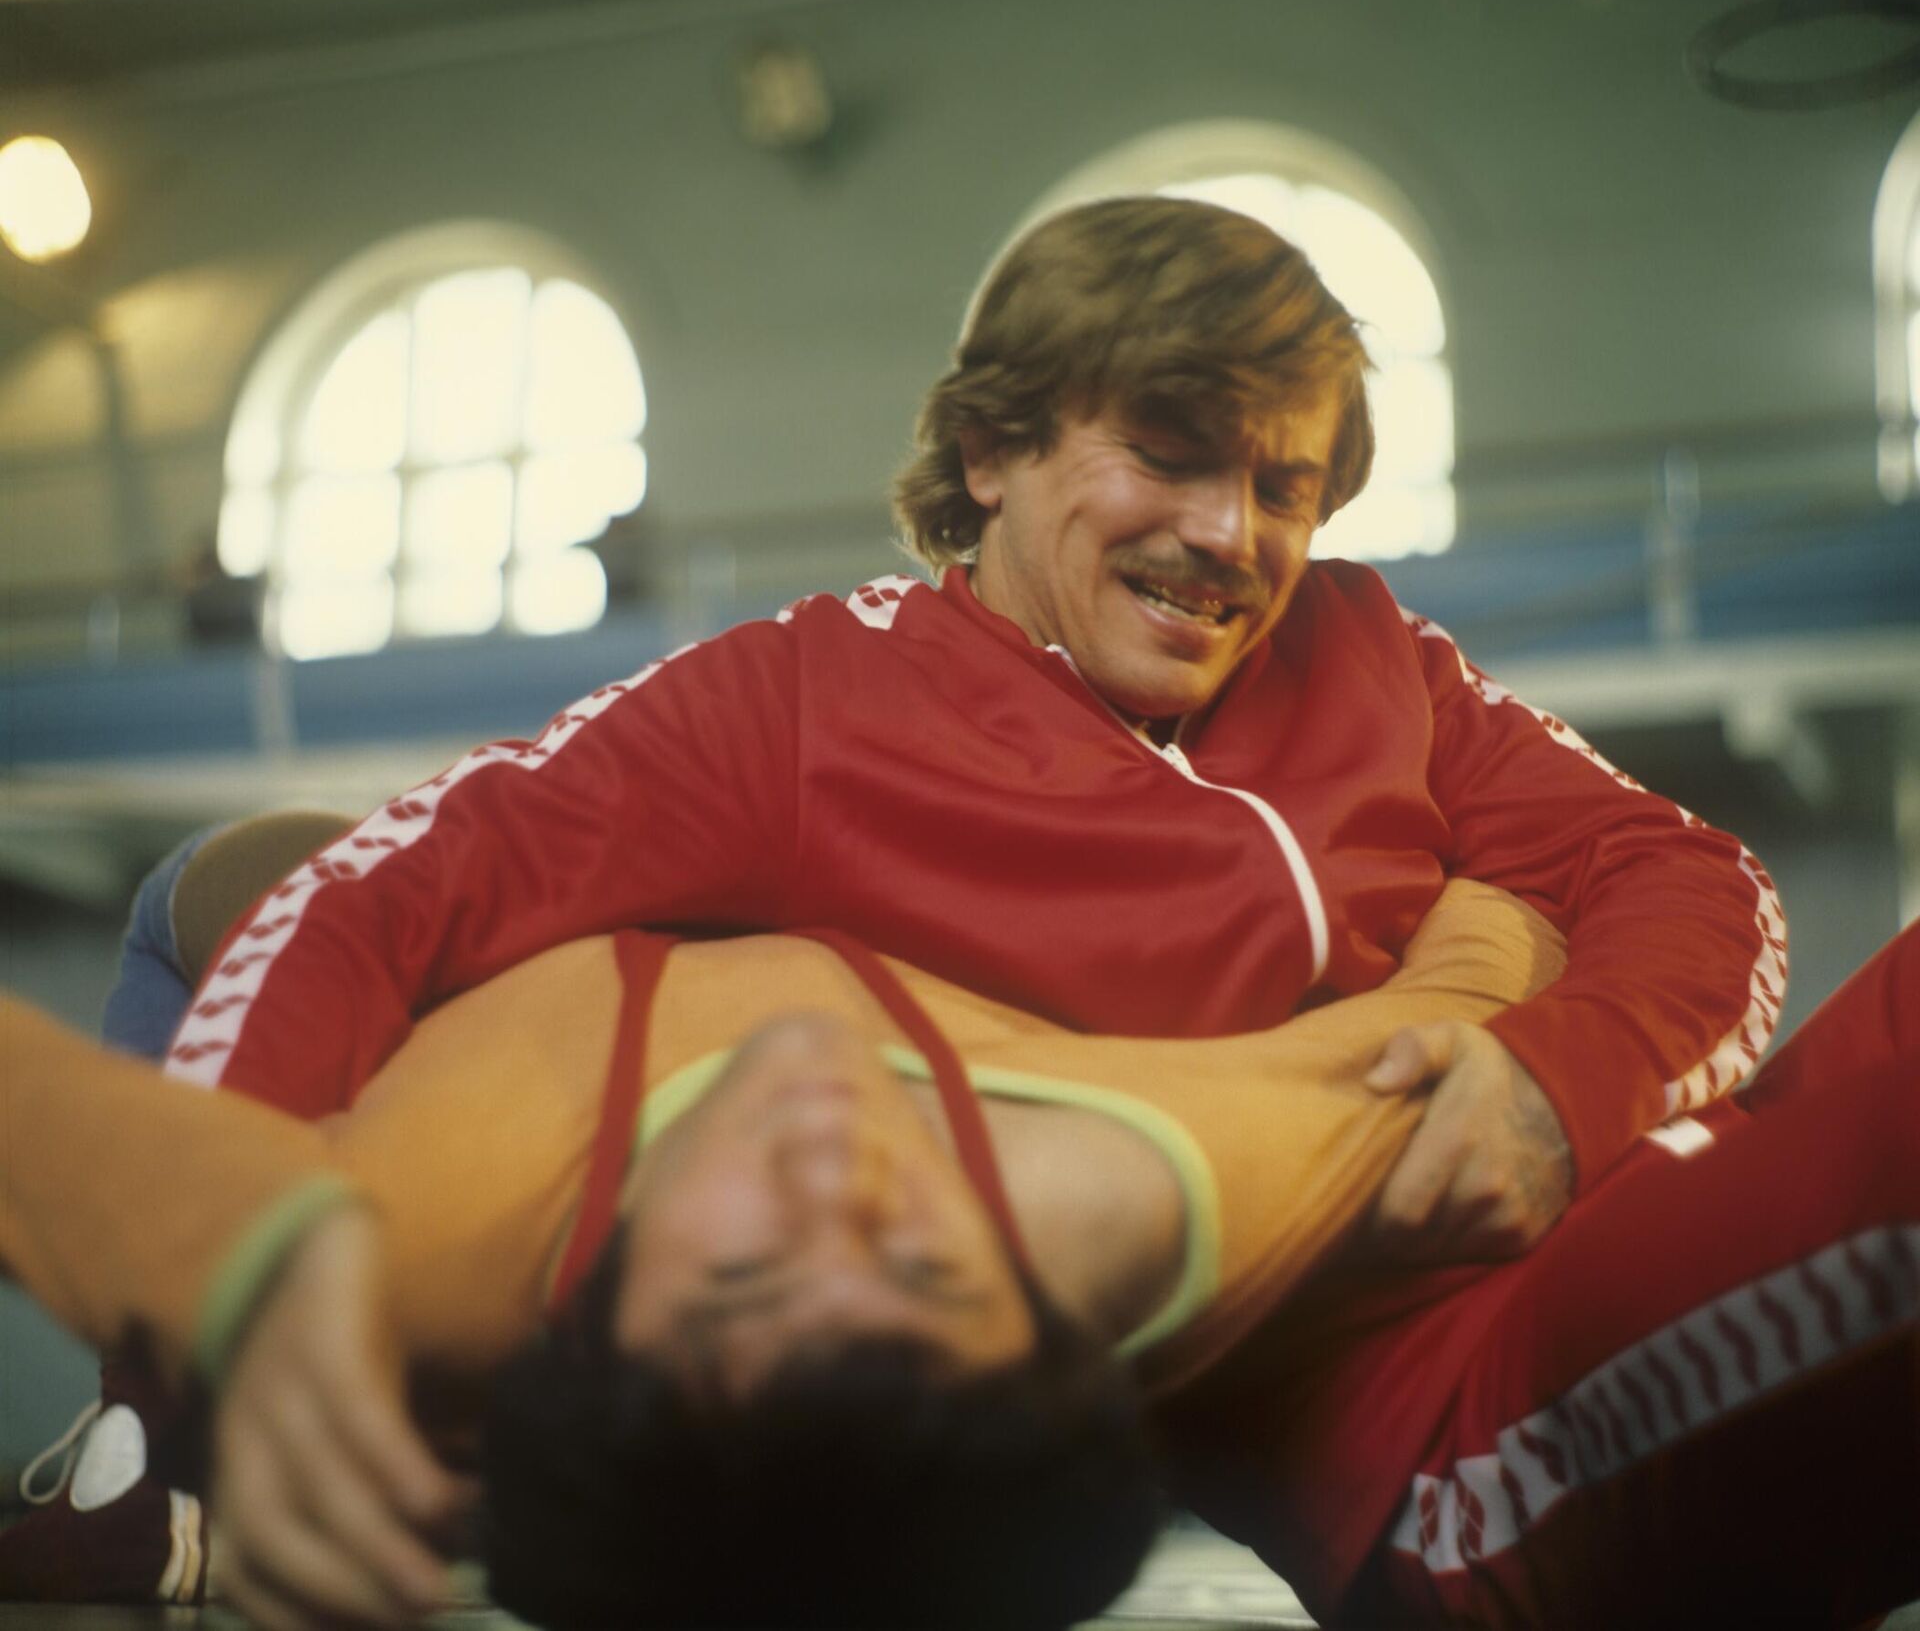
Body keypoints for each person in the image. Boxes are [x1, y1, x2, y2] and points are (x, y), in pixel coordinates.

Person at [143, 195, 1907, 1623]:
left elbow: (1690, 877)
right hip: (1467, 1398)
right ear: (991, 450)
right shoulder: (803, 707)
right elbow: (369, 899)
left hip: (1667, 1154)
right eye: (1170, 454)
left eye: (1283, 485)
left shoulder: (1372, 649)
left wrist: (1558, 1079)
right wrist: (203, 1357)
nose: (1231, 533)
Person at [3, 877, 1563, 1627]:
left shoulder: (398, 1234)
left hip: (409, 962)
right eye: (926, 1263)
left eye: (743, 1273)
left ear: (589, 1318)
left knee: (199, 891)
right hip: (654, 876)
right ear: (1031, 1291)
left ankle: (145, 1426)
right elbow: (1498, 943)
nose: (833, 1173)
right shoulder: (1150, 1179)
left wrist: (211, 1275)